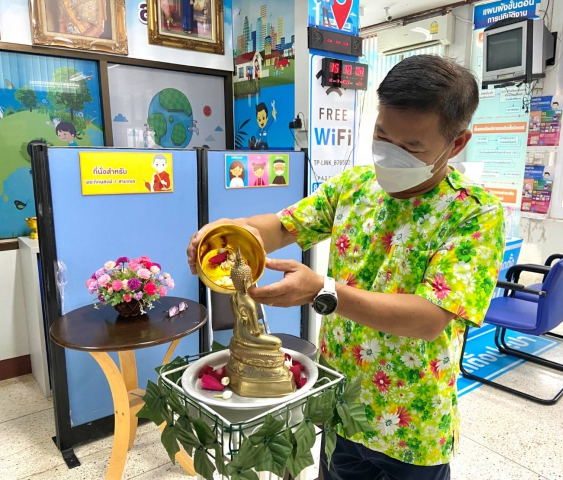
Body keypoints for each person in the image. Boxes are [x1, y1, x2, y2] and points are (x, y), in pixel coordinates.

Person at [187, 55, 505, 480]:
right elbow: (281, 226)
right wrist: (231, 232)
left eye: (412, 147)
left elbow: (430, 318)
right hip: (342, 401)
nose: (390, 154)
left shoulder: (475, 213)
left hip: (411, 421)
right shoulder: (354, 187)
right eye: (382, 135)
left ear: (457, 143)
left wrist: (324, 290)